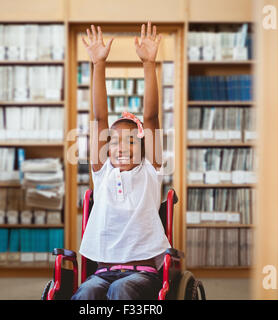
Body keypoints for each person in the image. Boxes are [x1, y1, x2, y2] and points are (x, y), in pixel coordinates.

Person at [71, 22, 170, 300]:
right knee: (86, 293)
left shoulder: (150, 171)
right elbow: (100, 118)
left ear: (143, 148)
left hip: (142, 272)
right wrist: (98, 64)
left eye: (130, 141)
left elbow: (150, 118)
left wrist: (149, 63)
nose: (122, 148)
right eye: (114, 142)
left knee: (122, 289)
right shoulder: (102, 174)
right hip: (103, 271)